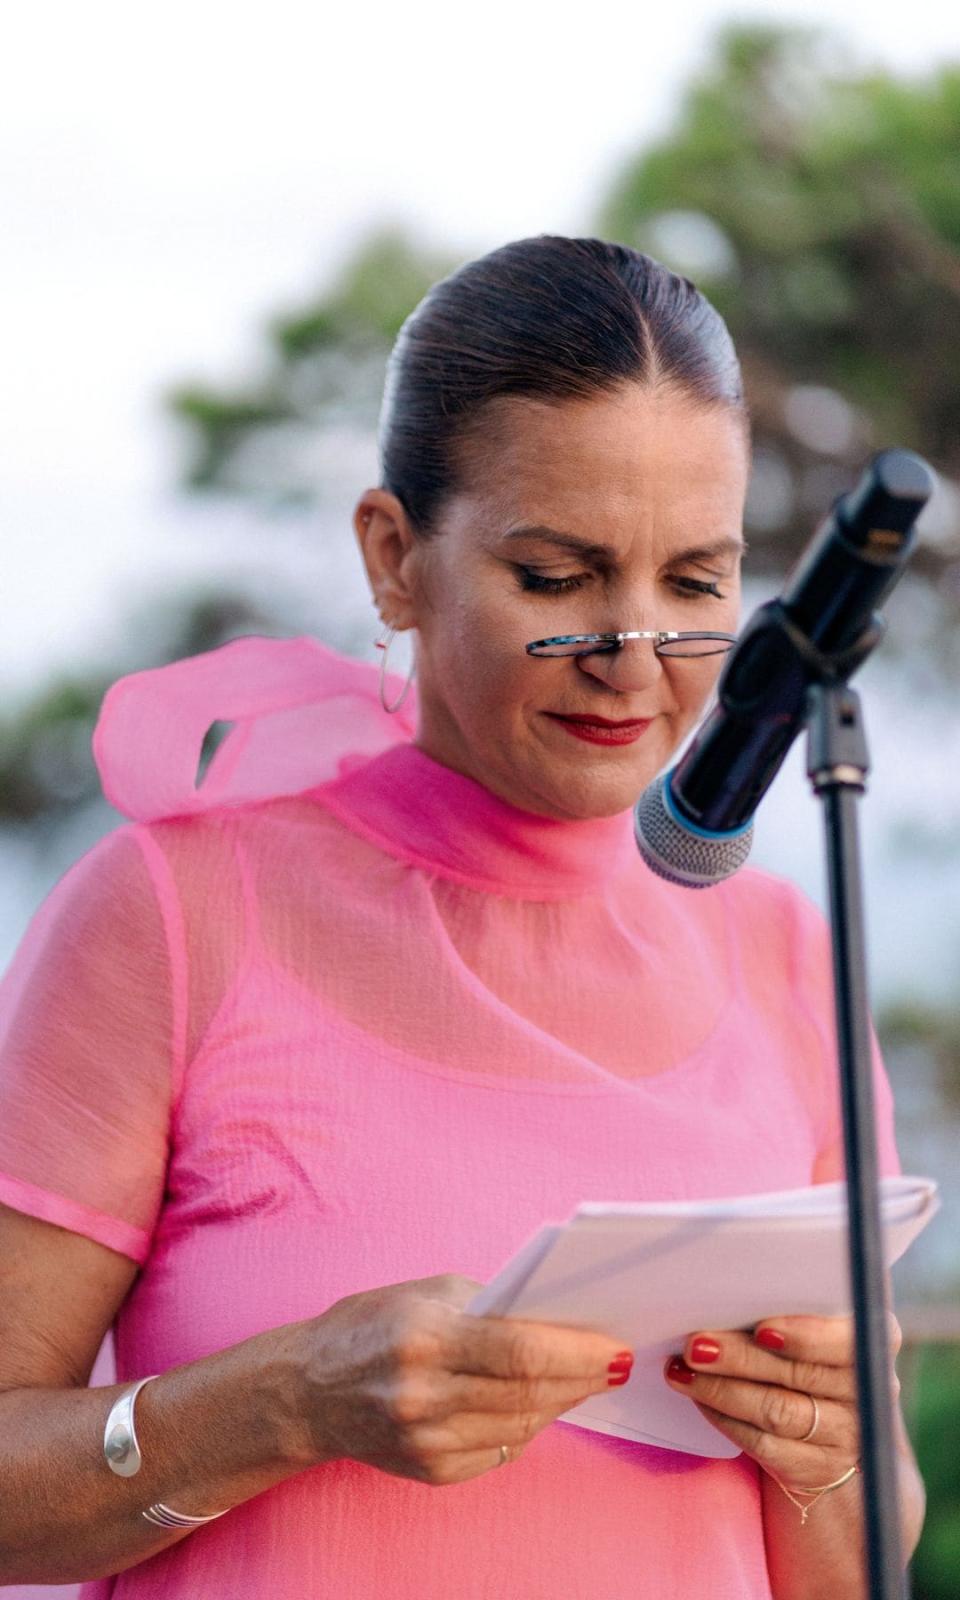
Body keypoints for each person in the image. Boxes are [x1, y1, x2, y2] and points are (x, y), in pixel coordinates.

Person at [0, 234, 924, 1599]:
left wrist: (830, 1451)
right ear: (395, 560)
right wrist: (289, 1400)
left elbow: (857, 1558)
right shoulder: (178, 915)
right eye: (555, 579)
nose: (627, 655)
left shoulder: (782, 950)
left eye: (693, 584)